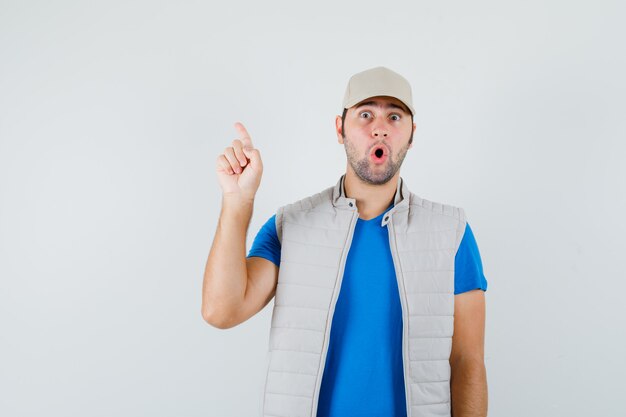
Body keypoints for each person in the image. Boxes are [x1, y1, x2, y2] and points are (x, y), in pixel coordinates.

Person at [202, 67, 488, 417]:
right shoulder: (290, 226)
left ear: (412, 134)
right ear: (340, 128)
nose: (379, 127)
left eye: (394, 116)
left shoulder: (452, 233)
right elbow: (221, 310)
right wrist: (237, 201)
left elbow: (468, 362)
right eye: (365, 113)